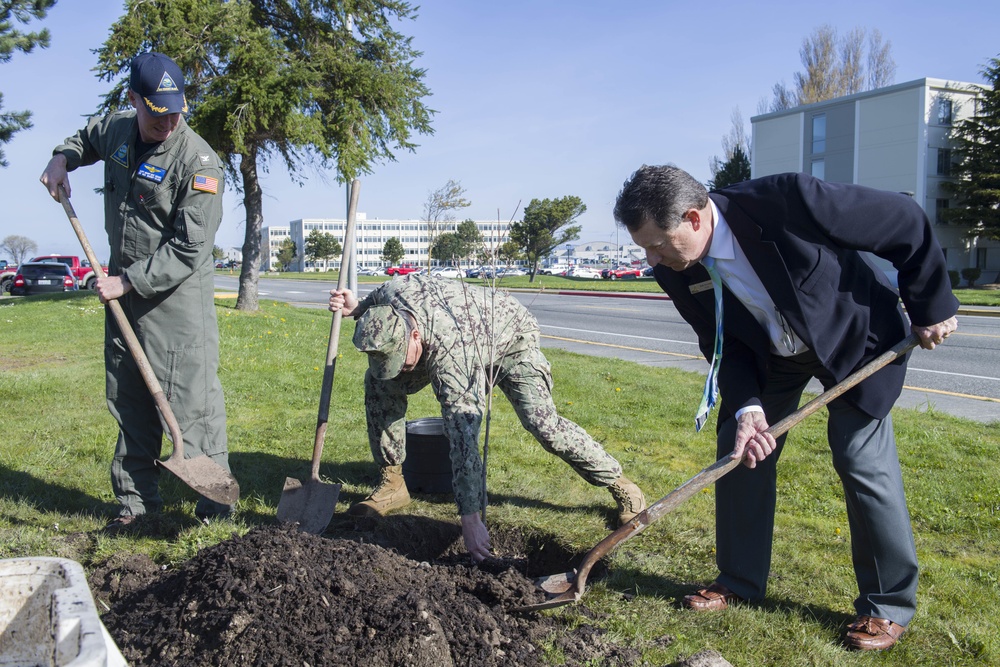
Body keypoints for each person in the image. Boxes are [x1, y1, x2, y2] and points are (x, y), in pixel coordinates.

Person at [613, 165, 958, 651]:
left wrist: (930, 305)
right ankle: (739, 579)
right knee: (741, 452)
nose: (652, 257)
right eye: (644, 247)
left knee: (860, 457)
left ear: (693, 218)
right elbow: (722, 344)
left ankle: (886, 604)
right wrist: (748, 407)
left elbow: (904, 220)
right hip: (769, 356)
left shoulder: (788, 201)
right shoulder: (677, 269)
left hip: (854, 341)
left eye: (657, 243)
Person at [40, 52, 233, 528]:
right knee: (128, 396)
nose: (168, 122)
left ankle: (215, 507)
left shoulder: (199, 163)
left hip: (176, 299)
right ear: (133, 101)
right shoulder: (119, 129)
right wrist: (61, 159)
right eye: (157, 112)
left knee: (193, 403)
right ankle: (137, 504)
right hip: (121, 288)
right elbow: (86, 137)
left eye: (176, 111)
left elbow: (190, 248)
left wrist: (127, 281)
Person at [328, 274, 646, 561]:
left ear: (414, 336)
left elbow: (463, 436)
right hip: (460, 331)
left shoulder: (451, 350)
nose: (401, 368)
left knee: (544, 425)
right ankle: (393, 483)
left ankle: (618, 482)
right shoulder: (392, 293)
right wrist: (356, 307)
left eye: (401, 360)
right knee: (379, 384)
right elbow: (372, 307)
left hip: (510, 340)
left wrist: (469, 518)